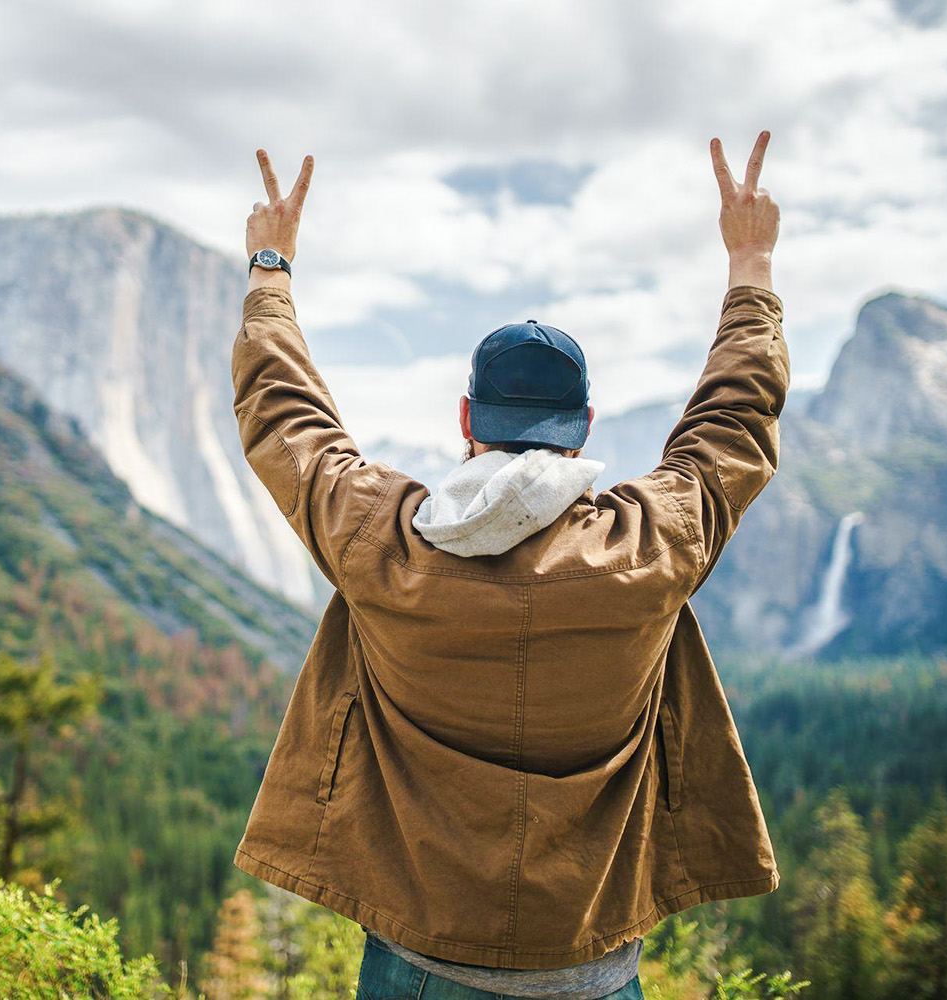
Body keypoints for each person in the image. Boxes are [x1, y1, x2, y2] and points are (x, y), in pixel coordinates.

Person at [229, 132, 785, 1000]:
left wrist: (272, 266)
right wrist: (750, 265)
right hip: (593, 972)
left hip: (418, 966)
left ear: (465, 417)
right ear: (588, 424)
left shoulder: (385, 540)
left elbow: (285, 419)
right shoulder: (649, 547)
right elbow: (734, 424)